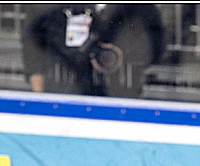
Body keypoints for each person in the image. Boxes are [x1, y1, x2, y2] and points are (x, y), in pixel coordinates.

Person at [21, 4, 164, 98]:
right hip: (62, 95)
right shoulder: (47, 7)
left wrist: (122, 55)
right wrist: (39, 97)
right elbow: (32, 44)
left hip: (119, 95)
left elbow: (156, 44)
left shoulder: (137, 8)